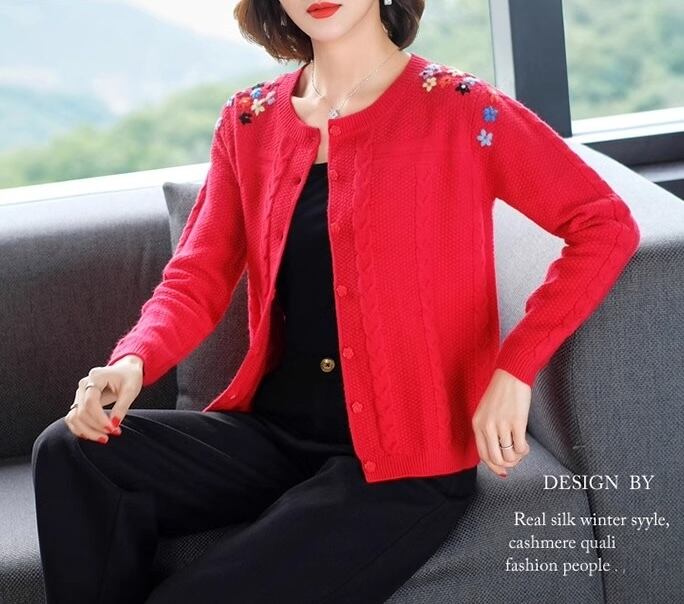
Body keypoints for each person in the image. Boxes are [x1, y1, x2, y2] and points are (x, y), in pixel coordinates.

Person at [31, 1, 641, 603]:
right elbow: (198, 275)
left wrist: (515, 368)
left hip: (402, 466)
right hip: (274, 434)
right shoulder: (250, 121)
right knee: (72, 450)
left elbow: (604, 223)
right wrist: (133, 360)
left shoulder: (460, 108)